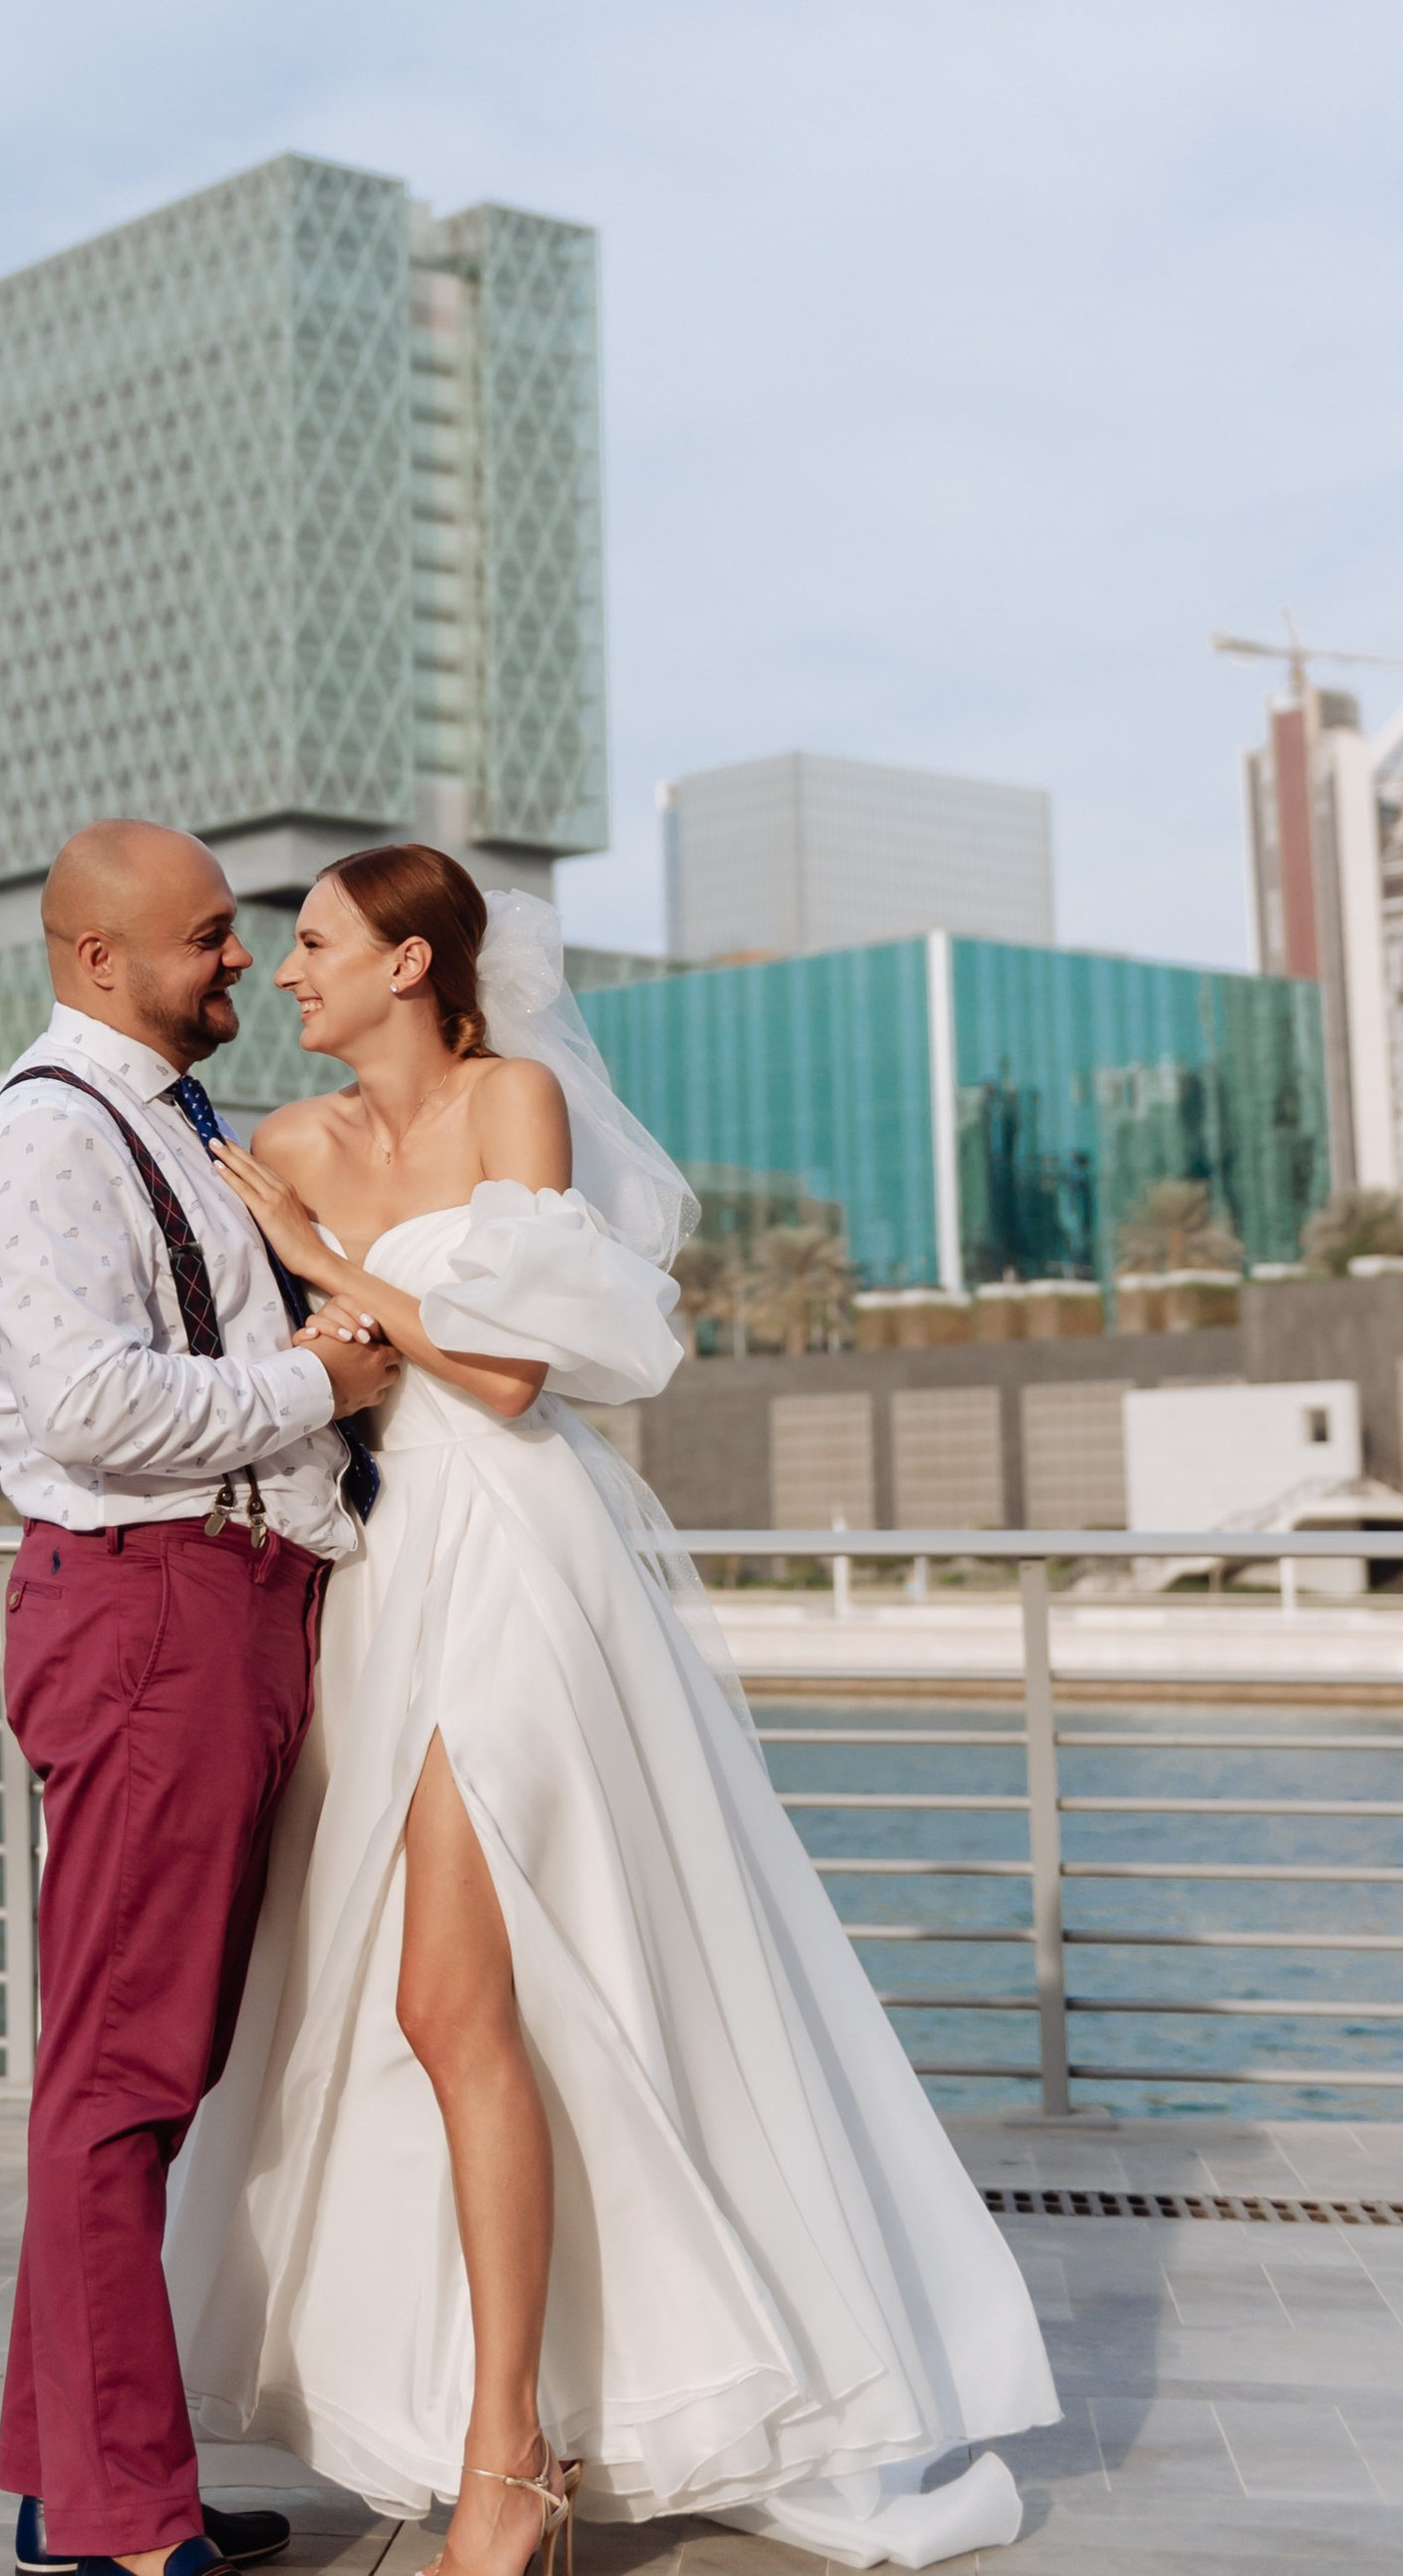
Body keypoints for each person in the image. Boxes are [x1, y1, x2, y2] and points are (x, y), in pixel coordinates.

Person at [165, 845, 1059, 2576]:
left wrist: (317, 1249)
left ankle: (512, 2463)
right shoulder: (281, 1144)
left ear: (413, 964)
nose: (287, 976)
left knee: (448, 1997)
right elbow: (298, 1386)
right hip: (377, 1564)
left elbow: (506, 1373)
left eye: (320, 946)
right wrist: (291, 1242)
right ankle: (534, 2413)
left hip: (515, 1543)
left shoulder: (512, 1103)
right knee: (456, 2010)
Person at [0, 821, 404, 2576]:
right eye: (212, 940)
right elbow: (96, 1412)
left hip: (219, 1608)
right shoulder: (47, 1140)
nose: (243, 964)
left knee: (143, 2066)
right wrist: (309, 1377)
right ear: (96, 959)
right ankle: (124, 2524)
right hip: (152, 1611)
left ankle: (84, 2479)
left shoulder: (179, 1127)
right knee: (121, 2074)